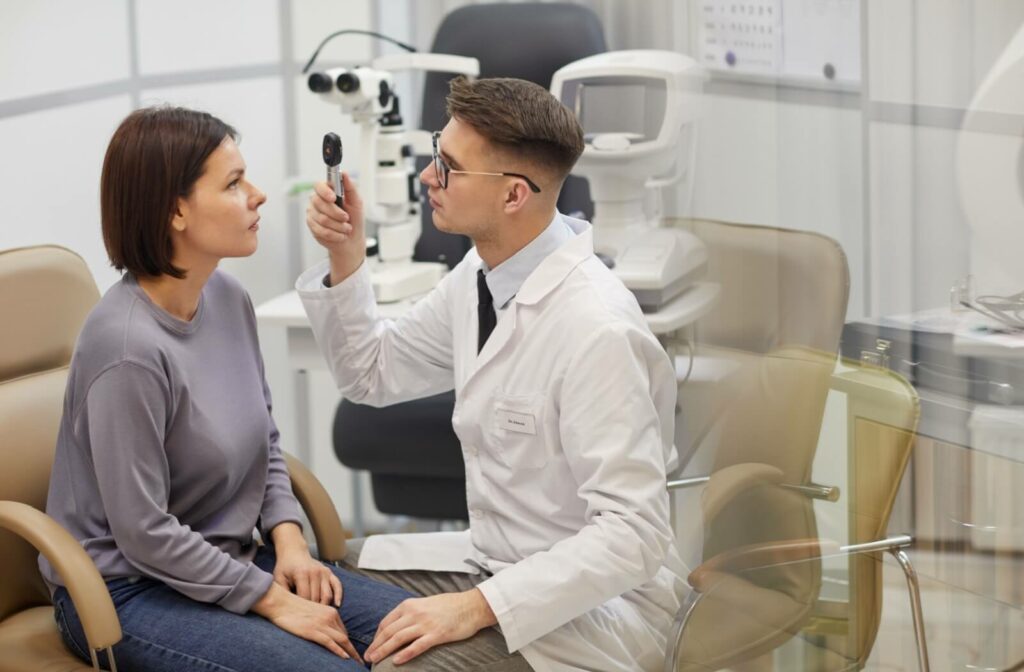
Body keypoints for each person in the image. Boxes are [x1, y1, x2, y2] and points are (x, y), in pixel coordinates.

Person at [297, 76, 688, 672]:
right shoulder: (481, 274)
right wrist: (347, 256)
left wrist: (477, 607)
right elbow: (370, 374)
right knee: (307, 590)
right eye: (436, 154)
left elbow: (632, 534)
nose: (428, 177)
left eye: (448, 167)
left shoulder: (596, 328)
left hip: (594, 611)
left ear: (512, 196)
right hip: (493, 564)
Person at [40, 106, 413, 672]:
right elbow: (143, 533)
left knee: (419, 633)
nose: (258, 195)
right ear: (176, 212)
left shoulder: (228, 298)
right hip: (126, 593)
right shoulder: (125, 349)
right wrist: (270, 600)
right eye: (235, 183)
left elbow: (262, 439)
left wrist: (289, 544)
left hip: (235, 560)